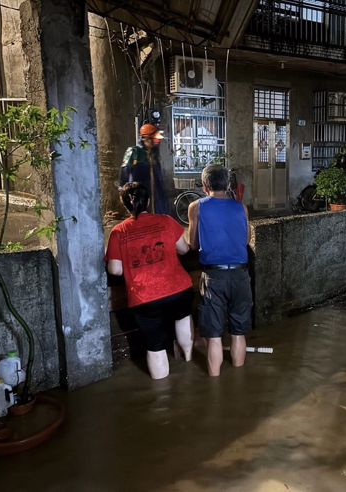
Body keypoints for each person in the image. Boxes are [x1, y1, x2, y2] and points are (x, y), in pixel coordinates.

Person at [106, 182, 193, 379]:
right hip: (179, 288)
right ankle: (188, 360)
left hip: (145, 297)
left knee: (155, 345)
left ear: (125, 205)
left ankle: (162, 394)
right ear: (148, 201)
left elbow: (115, 269)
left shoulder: (119, 232)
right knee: (182, 318)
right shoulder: (166, 221)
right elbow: (184, 249)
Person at [186, 165, 252, 377]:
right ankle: (239, 381)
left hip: (214, 277)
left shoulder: (196, 207)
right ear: (228, 185)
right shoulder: (241, 208)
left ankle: (215, 386)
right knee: (238, 332)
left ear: (205, 186)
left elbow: (193, 243)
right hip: (241, 275)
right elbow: (245, 239)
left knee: (214, 336)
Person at [119, 123, 169, 214]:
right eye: (155, 139)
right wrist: (125, 192)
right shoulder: (134, 152)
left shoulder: (154, 154)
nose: (157, 142)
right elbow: (125, 173)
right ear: (146, 138)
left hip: (156, 197)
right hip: (139, 196)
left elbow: (158, 177)